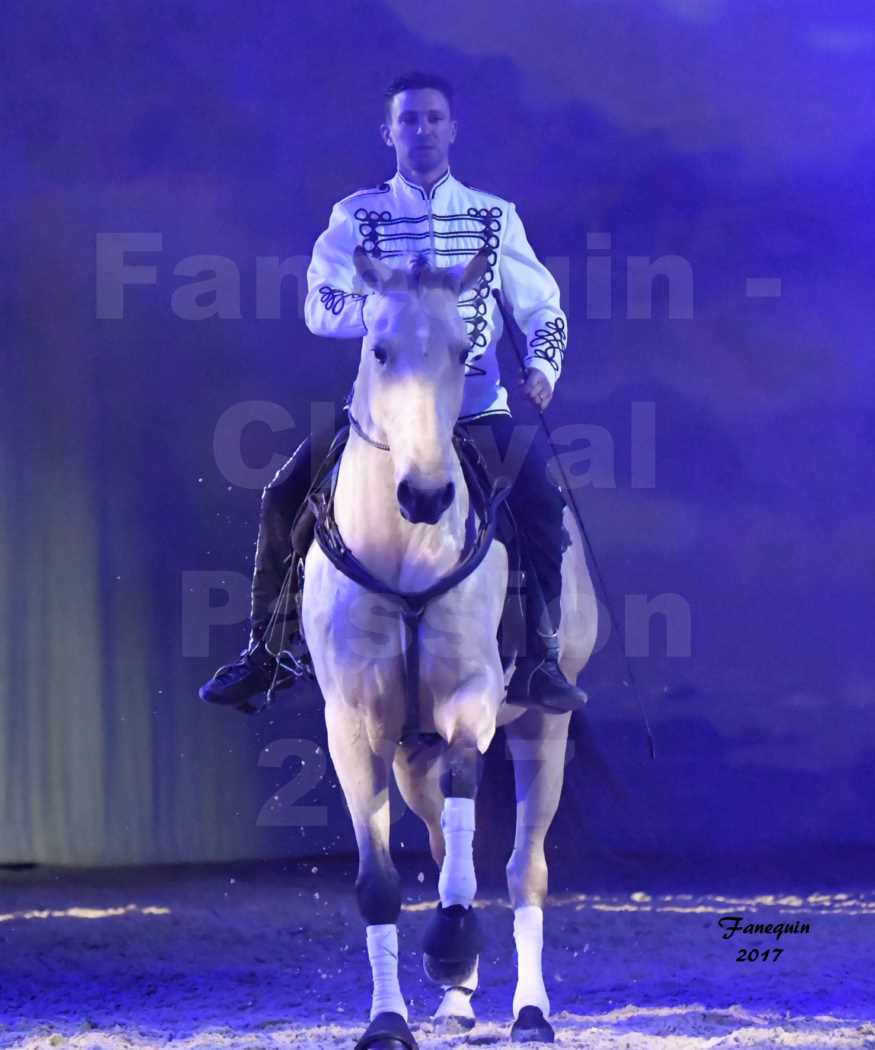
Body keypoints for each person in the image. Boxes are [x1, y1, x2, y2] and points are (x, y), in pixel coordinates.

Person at [199, 71, 586, 714]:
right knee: (283, 496)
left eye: (434, 118)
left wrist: (544, 368)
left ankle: (540, 659)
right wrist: (384, 311)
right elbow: (319, 305)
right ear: (389, 132)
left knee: (542, 503)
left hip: (474, 407)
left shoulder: (494, 217)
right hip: (379, 422)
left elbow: (543, 308)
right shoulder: (357, 215)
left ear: (452, 129)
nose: (422, 130)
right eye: (409, 119)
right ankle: (267, 651)